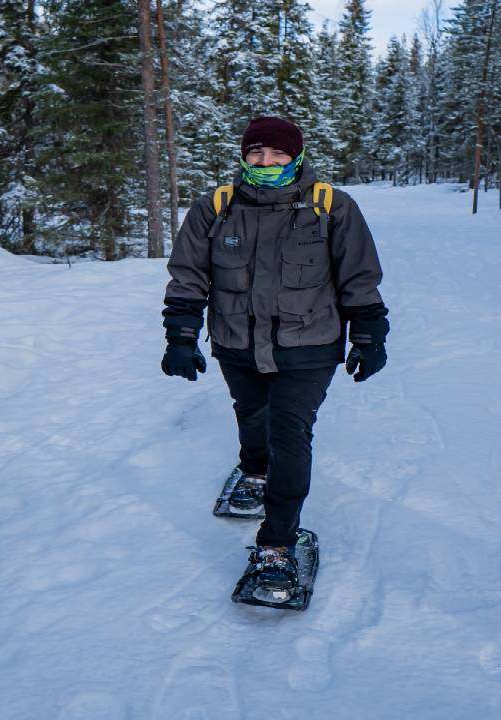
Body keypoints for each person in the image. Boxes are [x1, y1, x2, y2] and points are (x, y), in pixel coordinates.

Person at [160, 117, 389, 594]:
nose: (266, 163)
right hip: (236, 342)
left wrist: (368, 334)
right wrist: (181, 335)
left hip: (309, 345)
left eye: (277, 155)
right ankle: (253, 469)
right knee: (250, 413)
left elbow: (359, 276)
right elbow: (188, 276)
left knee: (290, 433)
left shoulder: (332, 207)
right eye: (256, 154)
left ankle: (277, 544)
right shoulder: (215, 208)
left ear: (297, 156)